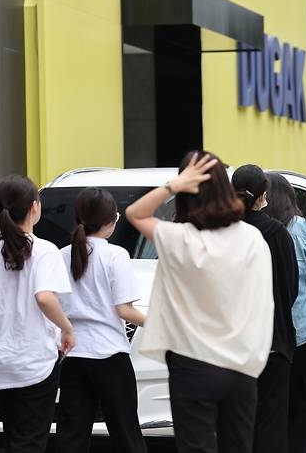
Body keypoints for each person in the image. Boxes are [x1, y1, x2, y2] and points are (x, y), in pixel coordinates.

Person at [126, 153, 274, 453]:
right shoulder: (252, 238)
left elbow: (136, 214)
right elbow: (263, 303)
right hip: (242, 365)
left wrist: (173, 185)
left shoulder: (179, 237)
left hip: (191, 365)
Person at [0, 175, 76, 453]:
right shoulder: (44, 250)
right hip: (35, 362)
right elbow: (45, 297)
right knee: (30, 442)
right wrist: (68, 328)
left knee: (15, 437)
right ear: (35, 208)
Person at [56, 187, 147, 453]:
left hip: (72, 355)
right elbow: (125, 311)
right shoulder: (115, 255)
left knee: (71, 436)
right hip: (110, 356)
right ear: (112, 221)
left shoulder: (61, 255)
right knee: (126, 433)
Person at [231, 165, 299, 453]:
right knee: (271, 420)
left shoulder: (220, 231)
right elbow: (290, 288)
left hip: (229, 344)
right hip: (272, 340)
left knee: (234, 422)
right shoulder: (277, 233)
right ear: (263, 195)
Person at [264, 173, 306, 453]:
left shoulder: (252, 230)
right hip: (303, 331)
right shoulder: (305, 229)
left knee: (272, 401)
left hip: (265, 334)